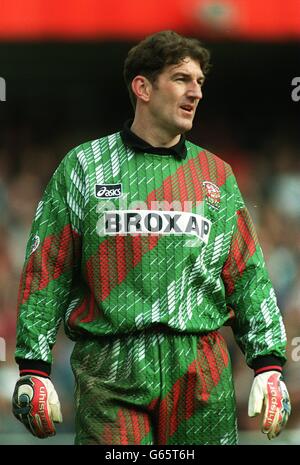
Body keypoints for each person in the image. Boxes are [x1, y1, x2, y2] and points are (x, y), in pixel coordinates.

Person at [12, 30, 291, 445]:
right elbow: (47, 268)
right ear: (142, 87)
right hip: (111, 370)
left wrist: (269, 365)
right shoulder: (83, 168)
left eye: (200, 82)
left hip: (201, 371)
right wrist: (33, 367)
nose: (195, 92)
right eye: (182, 78)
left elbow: (247, 274)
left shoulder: (217, 175)